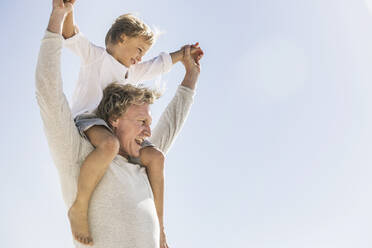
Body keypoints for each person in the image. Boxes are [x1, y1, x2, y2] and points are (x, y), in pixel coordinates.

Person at [35, 1, 202, 247]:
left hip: (107, 131)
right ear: (122, 38)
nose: (140, 58)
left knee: (156, 156)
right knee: (110, 145)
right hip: (87, 122)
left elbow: (159, 65)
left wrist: (185, 59)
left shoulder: (131, 73)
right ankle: (79, 206)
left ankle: (162, 231)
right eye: (139, 49)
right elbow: (70, 37)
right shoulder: (96, 58)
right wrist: (64, 10)